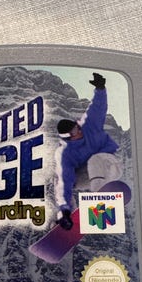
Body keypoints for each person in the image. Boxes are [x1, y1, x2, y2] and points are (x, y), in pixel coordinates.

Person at [54, 73, 123, 230]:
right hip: (90, 174)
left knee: (94, 160)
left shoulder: (89, 127)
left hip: (110, 164)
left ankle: (100, 204)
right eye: (74, 131)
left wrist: (100, 88)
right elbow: (66, 180)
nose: (79, 131)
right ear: (67, 137)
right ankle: (67, 215)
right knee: (59, 180)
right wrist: (64, 209)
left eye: (77, 126)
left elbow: (98, 108)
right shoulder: (65, 154)